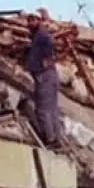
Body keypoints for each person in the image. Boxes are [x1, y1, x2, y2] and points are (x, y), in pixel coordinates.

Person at [26, 13, 62, 149]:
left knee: (42, 110)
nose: (30, 23)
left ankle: (51, 140)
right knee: (52, 110)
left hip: (45, 75)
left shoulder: (42, 35)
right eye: (28, 20)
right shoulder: (36, 36)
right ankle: (56, 139)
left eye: (33, 20)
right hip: (50, 75)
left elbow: (49, 44)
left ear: (39, 21)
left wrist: (45, 62)